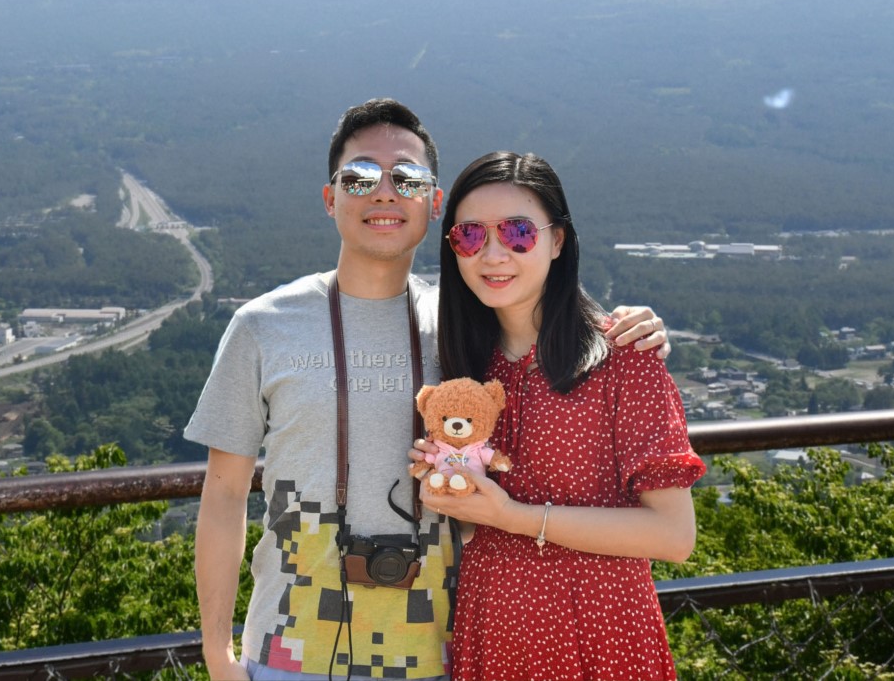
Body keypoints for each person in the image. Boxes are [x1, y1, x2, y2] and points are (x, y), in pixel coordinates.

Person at [187, 99, 671, 681]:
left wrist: (631, 328)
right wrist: (219, 656)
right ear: (329, 197)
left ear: (433, 202)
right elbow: (222, 496)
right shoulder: (263, 326)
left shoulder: (474, 323)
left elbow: (541, 298)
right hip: (290, 655)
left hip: (446, 652)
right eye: (360, 176)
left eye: (408, 177)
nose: (385, 192)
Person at [418, 150, 703, 681]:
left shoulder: (624, 359)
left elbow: (673, 535)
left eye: (518, 233)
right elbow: (473, 524)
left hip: (599, 632)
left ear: (557, 241)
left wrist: (515, 518)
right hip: (493, 628)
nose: (494, 254)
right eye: (470, 236)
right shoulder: (464, 370)